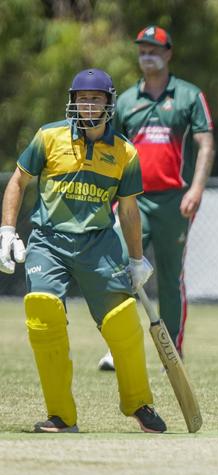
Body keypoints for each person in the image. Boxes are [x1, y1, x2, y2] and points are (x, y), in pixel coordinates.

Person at [0, 68, 167, 433]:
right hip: (48, 242)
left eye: (95, 98)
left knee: (123, 320)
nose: (87, 104)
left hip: (99, 244)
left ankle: (138, 403)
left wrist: (137, 259)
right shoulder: (49, 137)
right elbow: (18, 180)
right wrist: (7, 232)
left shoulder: (125, 152)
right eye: (81, 98)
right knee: (42, 312)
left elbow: (128, 209)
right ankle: (61, 415)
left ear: (109, 103)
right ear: (72, 101)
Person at [98, 25, 215, 371]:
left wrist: (196, 188)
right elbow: (110, 151)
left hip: (175, 201)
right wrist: (107, 196)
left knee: (169, 276)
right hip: (133, 199)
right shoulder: (126, 101)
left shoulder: (189, 96)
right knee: (117, 269)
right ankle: (118, 348)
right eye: (142, 49)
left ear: (168, 54)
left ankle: (172, 352)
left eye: (154, 48)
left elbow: (205, 144)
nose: (147, 54)